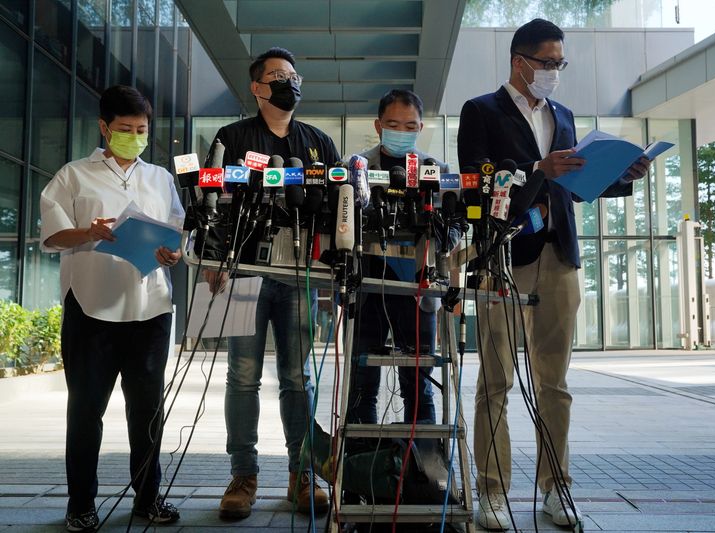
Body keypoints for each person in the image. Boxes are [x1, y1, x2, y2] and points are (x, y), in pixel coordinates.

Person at [457, 19, 651, 530]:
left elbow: (577, 183)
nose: (554, 73)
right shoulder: (480, 111)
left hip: (559, 256)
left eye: (560, 64)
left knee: (555, 382)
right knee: (495, 379)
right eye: (547, 64)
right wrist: (539, 168)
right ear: (519, 62)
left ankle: (555, 487)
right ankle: (493, 491)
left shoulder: (563, 114)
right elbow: (477, 184)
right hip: (503, 254)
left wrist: (620, 175)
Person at [202, 47, 340, 519]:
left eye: (294, 76)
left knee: (297, 376)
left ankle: (302, 475)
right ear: (257, 88)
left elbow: (340, 210)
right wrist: (214, 258)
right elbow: (211, 199)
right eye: (278, 76)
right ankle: (244, 475)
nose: (289, 83)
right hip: (244, 272)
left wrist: (333, 275)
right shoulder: (232, 137)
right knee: (242, 375)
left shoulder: (319, 142)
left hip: (301, 274)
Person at [39, 85, 184, 532]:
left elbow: (178, 233)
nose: (135, 136)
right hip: (91, 309)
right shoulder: (74, 175)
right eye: (125, 129)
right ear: (104, 127)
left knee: (147, 414)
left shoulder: (160, 177)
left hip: (150, 309)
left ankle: (147, 498)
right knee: (86, 411)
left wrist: (173, 254)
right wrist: (88, 230)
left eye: (142, 129)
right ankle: (80, 503)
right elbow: (51, 237)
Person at [347, 89, 449, 427]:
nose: (401, 132)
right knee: (363, 382)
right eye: (392, 124)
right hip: (367, 287)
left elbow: (453, 230)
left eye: (409, 126)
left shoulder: (436, 170)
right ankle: (364, 470)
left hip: (417, 290)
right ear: (378, 126)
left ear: (420, 128)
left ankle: (423, 473)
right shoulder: (355, 168)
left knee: (418, 384)